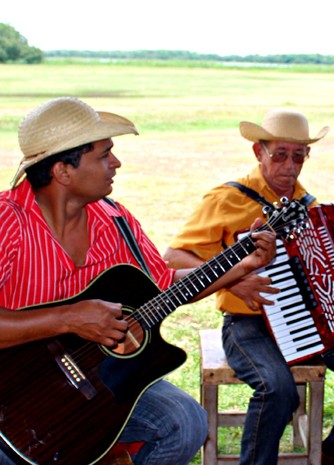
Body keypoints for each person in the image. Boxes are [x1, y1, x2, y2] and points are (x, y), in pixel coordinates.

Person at [0, 97, 276, 465]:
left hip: (92, 383)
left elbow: (164, 286)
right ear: (63, 171)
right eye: (104, 154)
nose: (116, 163)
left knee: (185, 422)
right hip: (11, 391)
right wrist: (68, 318)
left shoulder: (115, 220)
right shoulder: (8, 222)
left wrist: (241, 265)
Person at [164, 109, 334, 465]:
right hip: (248, 324)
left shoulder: (311, 208)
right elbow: (174, 257)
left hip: (311, 327)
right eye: (279, 154)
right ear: (259, 152)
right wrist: (236, 280)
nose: (289, 165)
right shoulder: (226, 198)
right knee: (277, 388)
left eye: (298, 156)